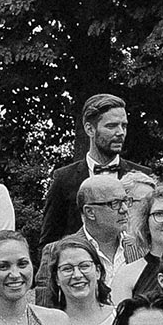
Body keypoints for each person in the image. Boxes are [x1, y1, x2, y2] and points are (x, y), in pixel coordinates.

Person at [39, 92, 134, 244]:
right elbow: (49, 241)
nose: (120, 132)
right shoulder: (64, 180)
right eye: (111, 126)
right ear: (90, 129)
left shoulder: (141, 176)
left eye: (124, 125)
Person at [40, 235, 117, 325]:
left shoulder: (121, 317)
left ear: (98, 271)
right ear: (56, 278)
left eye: (84, 266)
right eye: (67, 269)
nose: (77, 275)